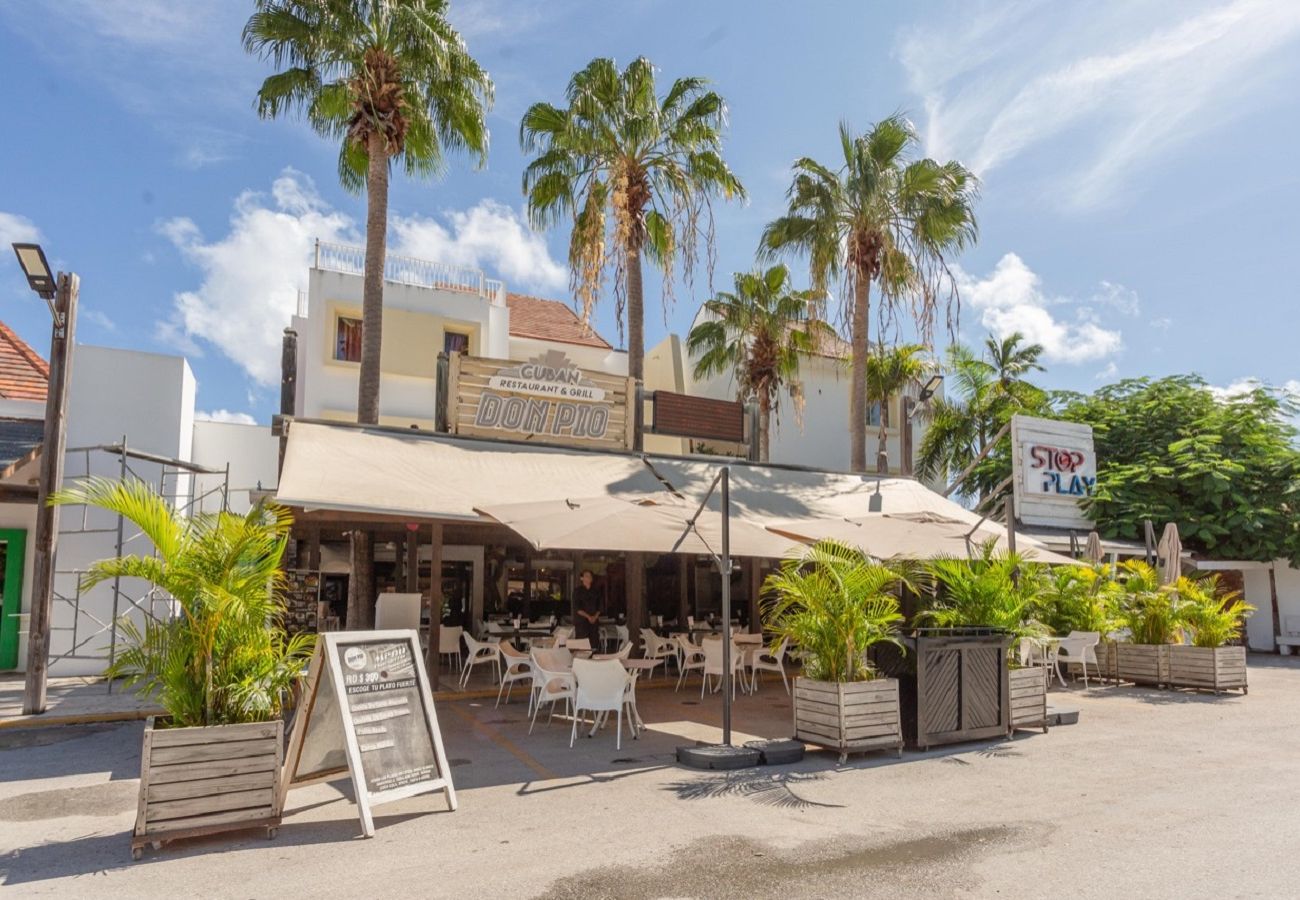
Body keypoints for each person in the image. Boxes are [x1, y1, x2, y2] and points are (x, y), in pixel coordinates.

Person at [572, 569, 602, 649]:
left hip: (594, 622)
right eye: (586, 576)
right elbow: (577, 608)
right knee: (582, 645)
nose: (588, 578)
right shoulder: (577, 591)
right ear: (581, 578)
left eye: (590, 576)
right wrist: (588, 617)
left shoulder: (596, 591)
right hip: (581, 622)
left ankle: (594, 660)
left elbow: (600, 607)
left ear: (592, 579)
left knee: (594, 644)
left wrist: (594, 617)